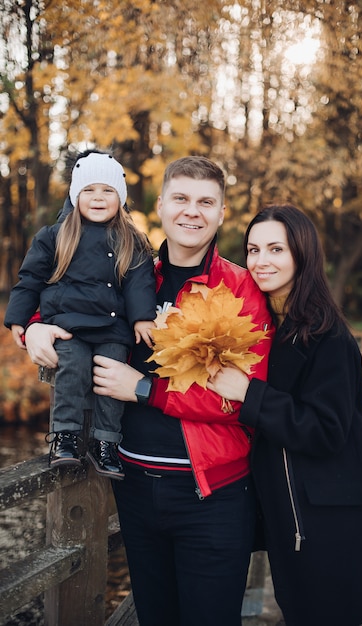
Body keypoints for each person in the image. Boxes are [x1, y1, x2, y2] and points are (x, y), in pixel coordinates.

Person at [23, 156, 272, 626]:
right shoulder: (125, 269)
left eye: (206, 202)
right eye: (180, 198)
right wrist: (34, 328)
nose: (191, 212)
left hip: (213, 494)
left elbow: (242, 401)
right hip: (134, 490)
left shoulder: (240, 288)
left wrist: (143, 389)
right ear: (160, 205)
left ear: (222, 212)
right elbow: (61, 298)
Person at [206, 204, 362, 626]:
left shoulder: (329, 338)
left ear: (302, 254)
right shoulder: (264, 330)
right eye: (253, 249)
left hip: (323, 519)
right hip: (285, 515)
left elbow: (326, 431)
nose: (261, 262)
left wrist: (249, 393)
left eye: (276, 249)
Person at [4, 150, 156, 480]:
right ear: (75, 195)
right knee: (71, 371)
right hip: (67, 326)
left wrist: (142, 317)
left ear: (120, 197)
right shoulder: (55, 235)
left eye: (107, 191)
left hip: (112, 327)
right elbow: (30, 279)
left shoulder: (131, 240)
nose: (98, 198)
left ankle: (106, 442)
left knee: (111, 378)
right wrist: (19, 319)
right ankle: (66, 437)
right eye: (88, 190)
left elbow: (140, 282)